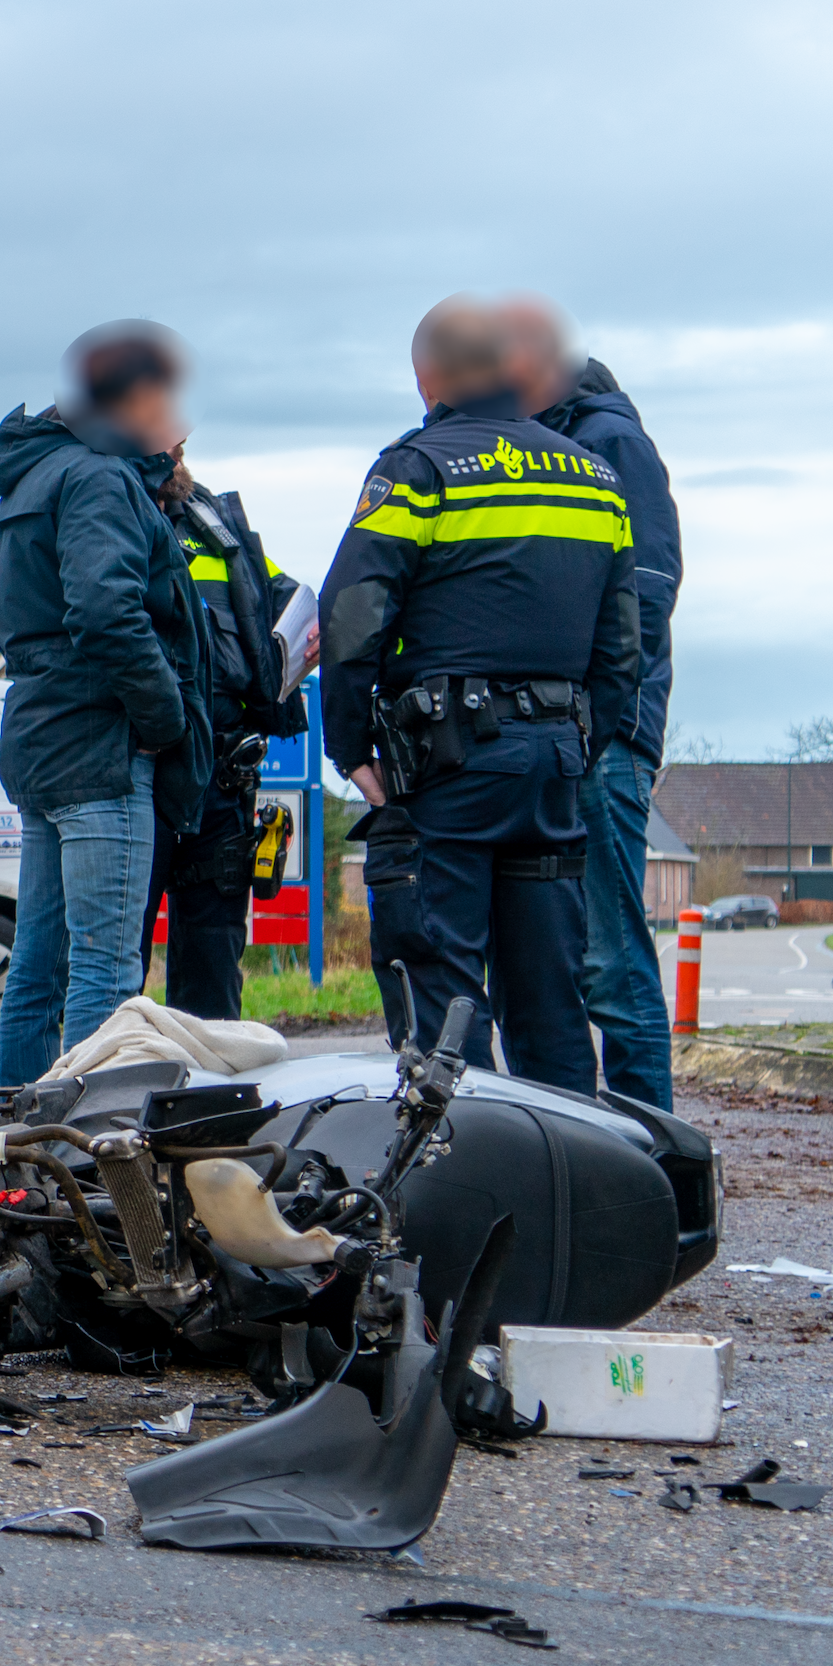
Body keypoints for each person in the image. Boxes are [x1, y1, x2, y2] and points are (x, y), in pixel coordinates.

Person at [318, 294, 637, 1089]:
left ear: (427, 380)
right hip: (555, 761)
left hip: (448, 767)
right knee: (551, 997)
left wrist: (350, 743)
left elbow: (354, 613)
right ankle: (567, 1191)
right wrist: (584, 739)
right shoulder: (597, 479)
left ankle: (459, 1190)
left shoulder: (420, 468)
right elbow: (624, 640)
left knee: (442, 988)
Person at [0, 321, 212, 1084]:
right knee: (108, 987)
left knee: (36, 976)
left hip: (44, 741)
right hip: (102, 747)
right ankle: (90, 1168)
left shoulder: (35, 474)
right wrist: (164, 720)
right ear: (137, 395)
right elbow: (107, 613)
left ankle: (16, 1155)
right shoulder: (99, 479)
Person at [513, 296, 682, 1111]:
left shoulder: (608, 441)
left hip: (599, 742)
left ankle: (664, 1173)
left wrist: (597, 721)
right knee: (559, 960)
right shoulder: (551, 442)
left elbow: (645, 592)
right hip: (564, 735)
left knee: (611, 961)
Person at [145, 459, 308, 1021]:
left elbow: (285, 604)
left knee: (213, 961)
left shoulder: (212, 519)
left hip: (222, 776)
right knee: (116, 963)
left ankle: (209, 1096)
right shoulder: (112, 509)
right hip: (142, 770)